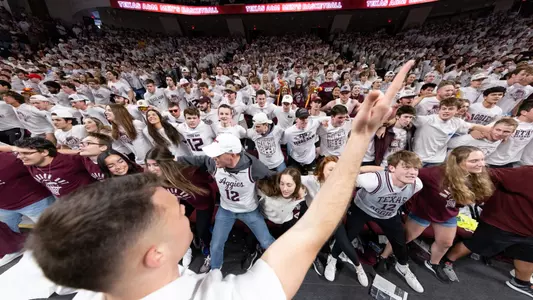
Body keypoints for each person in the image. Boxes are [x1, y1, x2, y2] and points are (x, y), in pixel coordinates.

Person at [26, 61, 413, 300]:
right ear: (154, 253)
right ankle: (214, 260)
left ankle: (219, 257)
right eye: (173, 211)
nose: (183, 204)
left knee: (260, 239)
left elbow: (271, 184)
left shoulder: (90, 279)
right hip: (230, 210)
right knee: (217, 239)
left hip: (246, 207)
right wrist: (360, 138)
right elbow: (312, 231)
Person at [382, 146, 494, 282]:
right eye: (474, 160)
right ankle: (383, 257)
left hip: (448, 214)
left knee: (445, 243)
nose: (481, 164)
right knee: (404, 238)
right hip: (424, 211)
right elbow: (405, 174)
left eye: (482, 159)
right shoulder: (434, 173)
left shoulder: (478, 176)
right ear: (458, 162)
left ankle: (433, 263)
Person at [327, 151, 424, 292]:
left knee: (400, 242)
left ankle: (403, 267)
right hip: (362, 210)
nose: (412, 172)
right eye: (406, 167)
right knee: (348, 236)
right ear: (392, 168)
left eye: (415, 168)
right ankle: (333, 257)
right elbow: (347, 180)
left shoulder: (417, 185)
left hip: (388, 214)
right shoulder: (374, 180)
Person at [176, 133, 276, 271]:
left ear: (233, 154)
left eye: (217, 155)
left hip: (249, 210)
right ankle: (215, 270)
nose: (213, 158)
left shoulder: (253, 167)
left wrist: (298, 186)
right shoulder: (214, 162)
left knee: (267, 241)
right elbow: (196, 160)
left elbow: (274, 177)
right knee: (215, 244)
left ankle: (280, 264)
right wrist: (173, 159)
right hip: (226, 209)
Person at [442, 166, 533, 297]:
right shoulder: (526, 173)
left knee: (528, 255)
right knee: (474, 244)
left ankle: (521, 282)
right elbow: (490, 174)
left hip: (529, 230)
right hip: (502, 222)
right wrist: (482, 197)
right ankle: (446, 261)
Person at [145, 147, 214, 273]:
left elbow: (210, 178)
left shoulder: (188, 173)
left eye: (155, 165)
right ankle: (186, 246)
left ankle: (209, 252)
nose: (151, 169)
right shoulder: (156, 178)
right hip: (184, 200)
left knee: (202, 229)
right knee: (172, 223)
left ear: (167, 163)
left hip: (202, 201)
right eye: (149, 165)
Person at [0, 151, 54, 266]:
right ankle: (14, 250)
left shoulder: (11, 159)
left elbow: (39, 168)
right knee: (6, 232)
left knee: (54, 229)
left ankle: (65, 254)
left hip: (33, 200)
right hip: (3, 206)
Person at [12, 137, 97, 197]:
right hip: (65, 202)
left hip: (89, 199)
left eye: (26, 153)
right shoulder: (29, 164)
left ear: (44, 152)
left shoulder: (71, 160)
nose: (19, 157)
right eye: (18, 153)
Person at [485, 101, 533, 168]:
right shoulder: (507, 122)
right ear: (524, 112)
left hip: (510, 163)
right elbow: (481, 131)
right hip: (490, 160)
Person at [448, 117, 518, 157]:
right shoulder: (473, 137)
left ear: (512, 133)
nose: (500, 133)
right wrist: (470, 131)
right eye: (498, 130)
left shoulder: (499, 140)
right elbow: (448, 144)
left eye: (506, 132)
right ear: (492, 128)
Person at [283, 108, 321, 174]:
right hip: (296, 159)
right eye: (302, 119)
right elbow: (283, 142)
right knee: (293, 179)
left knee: (312, 180)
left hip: (310, 159)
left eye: (306, 118)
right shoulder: (288, 132)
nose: (305, 121)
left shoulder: (314, 123)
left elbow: (329, 118)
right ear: (296, 119)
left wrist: (318, 146)